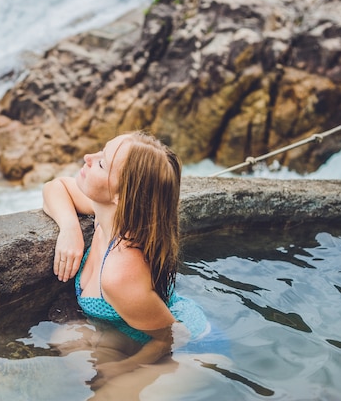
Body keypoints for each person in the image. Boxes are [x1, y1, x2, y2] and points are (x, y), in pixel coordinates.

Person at [42, 131, 222, 393]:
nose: (88, 158)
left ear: (121, 195)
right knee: (66, 337)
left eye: (102, 163)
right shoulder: (107, 215)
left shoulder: (119, 272)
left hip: (194, 350)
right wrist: (70, 229)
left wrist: (126, 369)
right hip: (132, 334)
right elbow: (54, 187)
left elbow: (172, 337)